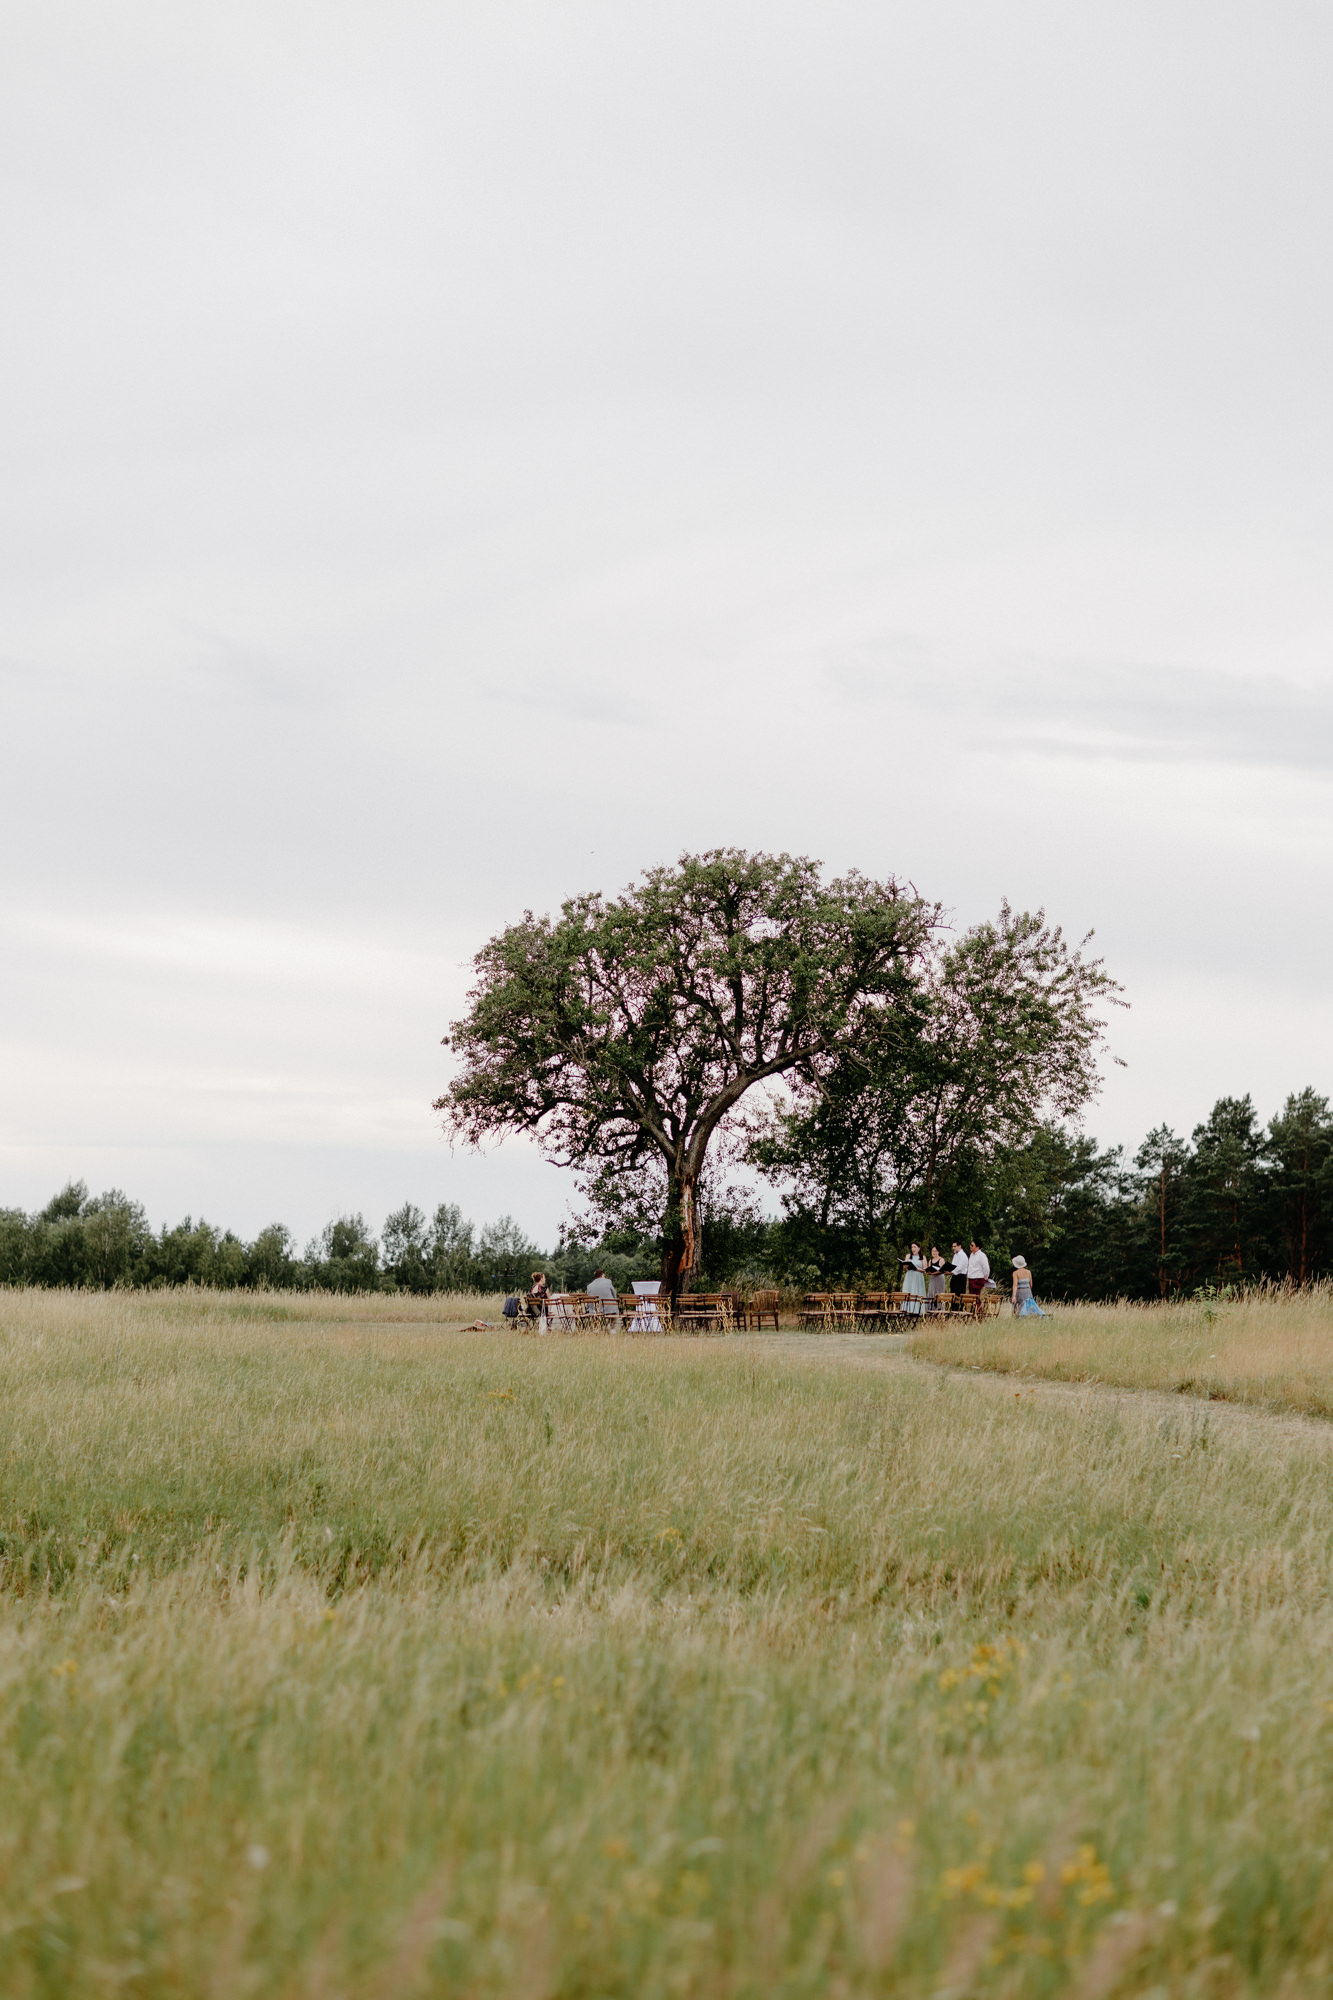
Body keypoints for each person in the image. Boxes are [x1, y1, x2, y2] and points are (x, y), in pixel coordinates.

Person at [900, 1243, 927, 1317]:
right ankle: (906, 1311)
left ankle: (918, 1311)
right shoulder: (908, 1256)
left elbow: (925, 1269)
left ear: (919, 1248)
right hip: (909, 1276)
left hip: (918, 1277)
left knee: (917, 1292)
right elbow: (904, 1268)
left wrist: (916, 1268)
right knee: (908, 1291)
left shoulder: (923, 1257)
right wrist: (905, 1266)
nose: (913, 1249)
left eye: (915, 1247)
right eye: (912, 1247)